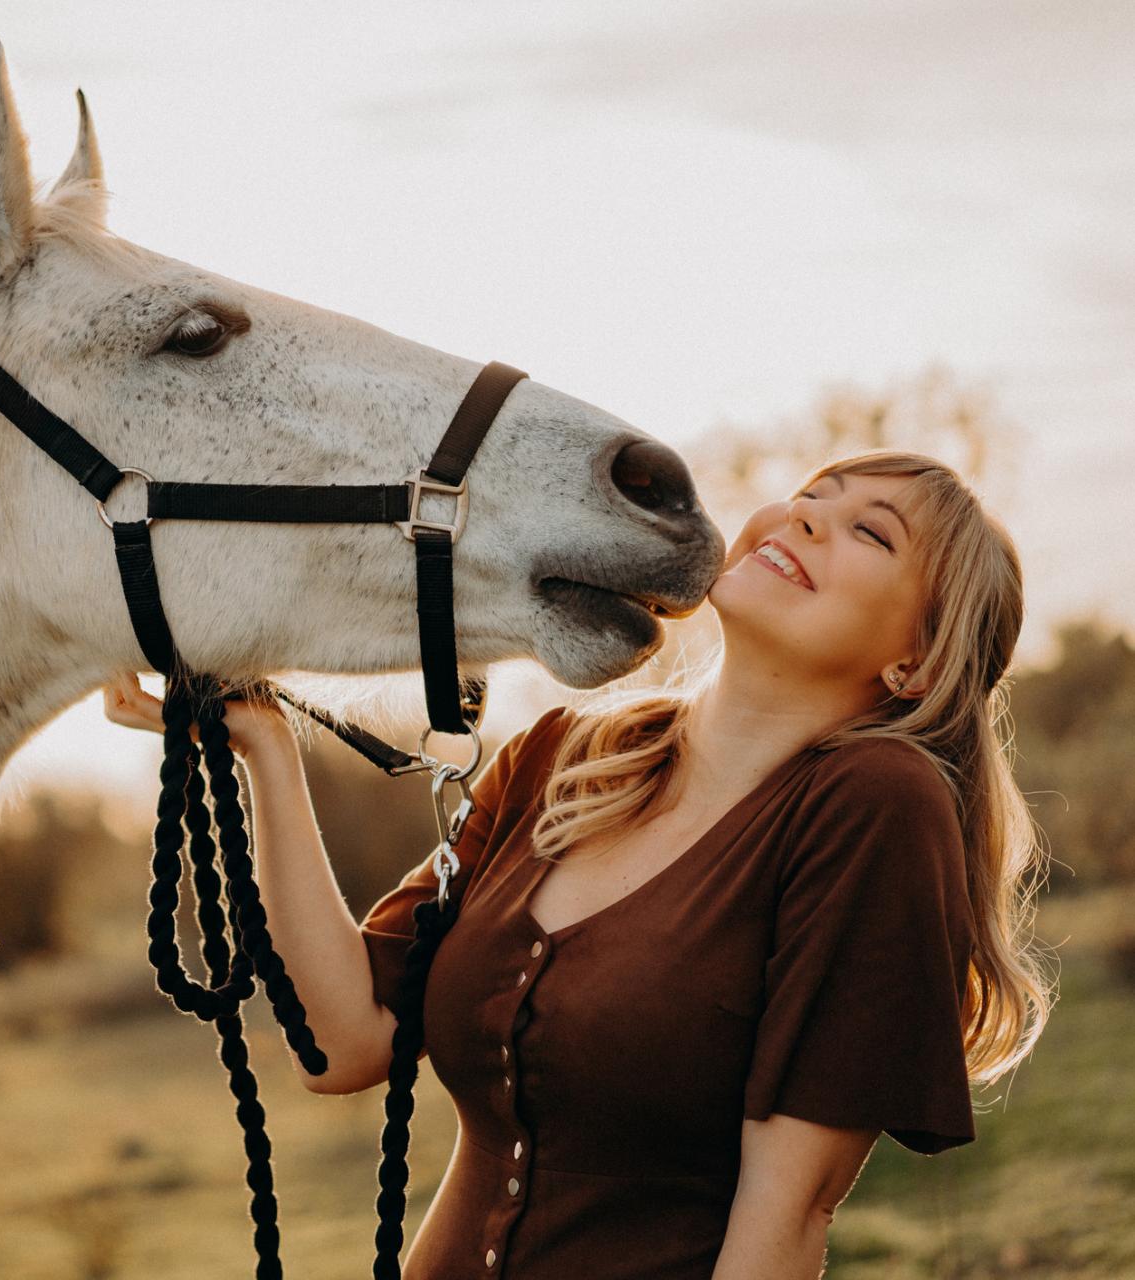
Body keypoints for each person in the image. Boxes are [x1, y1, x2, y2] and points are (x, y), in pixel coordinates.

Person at [102, 449, 1053, 1278]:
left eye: (869, 532)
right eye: (815, 492)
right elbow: (345, 1040)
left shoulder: (877, 805)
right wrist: (265, 750)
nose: (805, 514)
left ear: (918, 664)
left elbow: (792, 1206)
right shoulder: (560, 754)